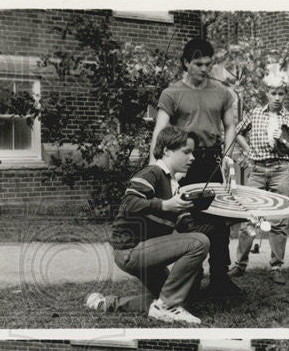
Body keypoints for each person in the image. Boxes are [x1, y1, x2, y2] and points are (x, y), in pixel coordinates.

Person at [88, 127, 209, 324]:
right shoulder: (152, 173)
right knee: (198, 243)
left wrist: (227, 220)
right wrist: (164, 205)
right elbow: (128, 203)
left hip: (145, 251)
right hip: (130, 250)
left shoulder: (174, 185)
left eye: (193, 152)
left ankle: (107, 304)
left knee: (180, 296)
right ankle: (165, 307)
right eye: (187, 152)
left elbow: (188, 229)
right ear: (167, 151)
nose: (193, 157)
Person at [151, 37, 241, 297]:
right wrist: (156, 169)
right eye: (198, 64)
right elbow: (160, 132)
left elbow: (230, 126)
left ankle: (220, 279)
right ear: (186, 63)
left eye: (208, 64)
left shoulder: (222, 92)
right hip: (183, 161)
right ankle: (190, 277)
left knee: (219, 221)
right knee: (189, 221)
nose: (204, 69)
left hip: (212, 160)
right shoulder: (172, 93)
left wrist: (227, 155)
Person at [231, 71, 289, 285]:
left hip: (281, 170)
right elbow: (237, 132)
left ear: (286, 94)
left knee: (278, 220)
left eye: (281, 93)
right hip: (258, 169)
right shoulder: (255, 113)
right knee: (250, 217)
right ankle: (239, 265)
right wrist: (249, 151)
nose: (277, 97)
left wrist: (283, 141)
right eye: (273, 93)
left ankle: (276, 267)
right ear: (267, 93)